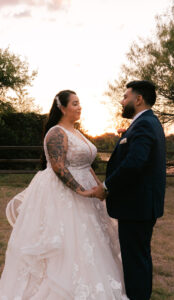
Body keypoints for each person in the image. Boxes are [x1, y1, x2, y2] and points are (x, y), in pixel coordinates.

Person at [0, 90, 128, 299]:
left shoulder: (76, 132)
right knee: (66, 241)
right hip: (64, 194)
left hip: (89, 195)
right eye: (75, 103)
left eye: (80, 103)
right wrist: (82, 191)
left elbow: (86, 164)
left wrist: (99, 187)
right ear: (62, 107)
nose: (79, 107)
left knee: (92, 243)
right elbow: (59, 168)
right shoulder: (56, 133)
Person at [94, 81, 166, 300]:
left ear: (138, 99)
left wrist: (106, 186)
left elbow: (135, 163)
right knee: (139, 257)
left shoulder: (144, 124)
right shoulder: (147, 123)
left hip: (137, 206)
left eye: (126, 96)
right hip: (141, 205)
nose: (122, 101)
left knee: (135, 259)